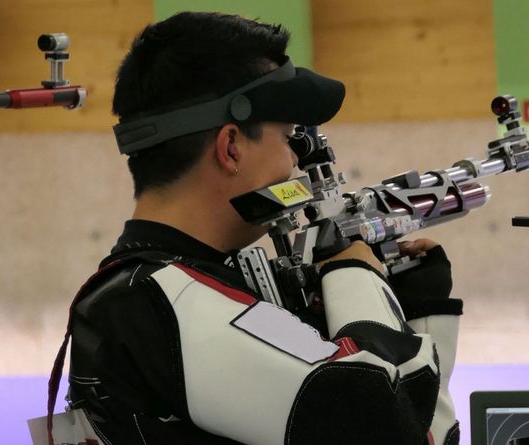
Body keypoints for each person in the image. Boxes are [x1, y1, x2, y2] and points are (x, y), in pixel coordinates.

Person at [61, 11, 463, 445]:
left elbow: (416, 427)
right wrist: (356, 276)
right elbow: (381, 424)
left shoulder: (198, 284)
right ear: (231, 147)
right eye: (288, 136)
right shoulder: (159, 298)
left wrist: (416, 314)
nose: (294, 162)